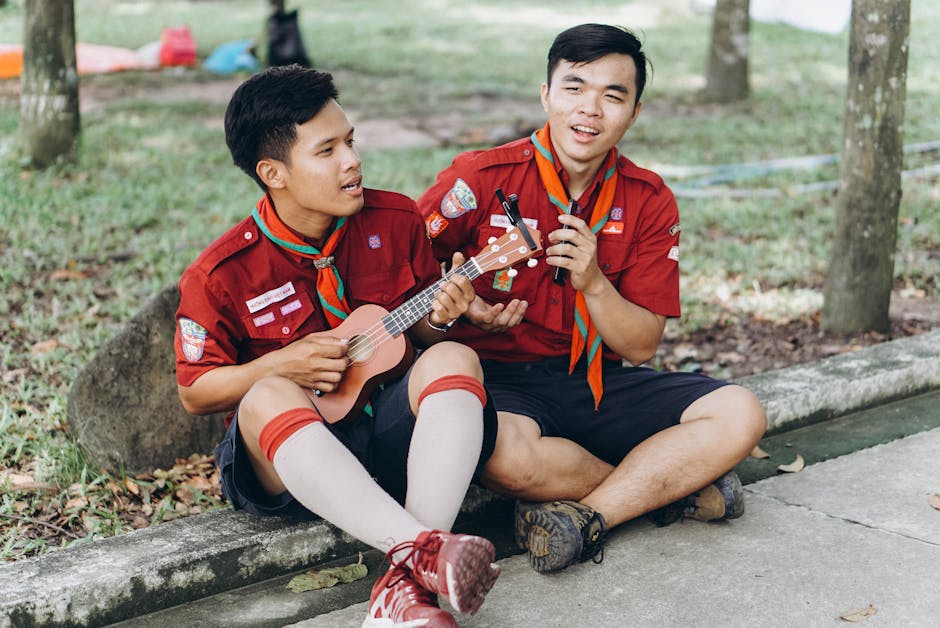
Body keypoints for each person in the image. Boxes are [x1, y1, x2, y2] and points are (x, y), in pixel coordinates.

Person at [417, 24, 767, 574]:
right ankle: (667, 489)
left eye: (613, 95)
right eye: (575, 87)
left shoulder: (649, 199)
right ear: (546, 95)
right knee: (499, 454)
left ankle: (586, 516)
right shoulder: (481, 179)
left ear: (635, 112)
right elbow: (405, 283)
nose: (590, 109)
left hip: (597, 381)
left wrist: (595, 283)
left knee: (739, 413)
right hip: (502, 383)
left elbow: (642, 346)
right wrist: (453, 312)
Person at [175, 65, 499, 627]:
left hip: (384, 431)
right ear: (273, 172)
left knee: (454, 357)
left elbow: (415, 333)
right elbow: (195, 392)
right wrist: (279, 363)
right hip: (292, 463)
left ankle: (404, 586)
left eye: (350, 141)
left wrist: (441, 321)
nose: (352, 160)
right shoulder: (221, 272)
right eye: (327, 151)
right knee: (268, 392)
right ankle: (419, 558)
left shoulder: (396, 219)